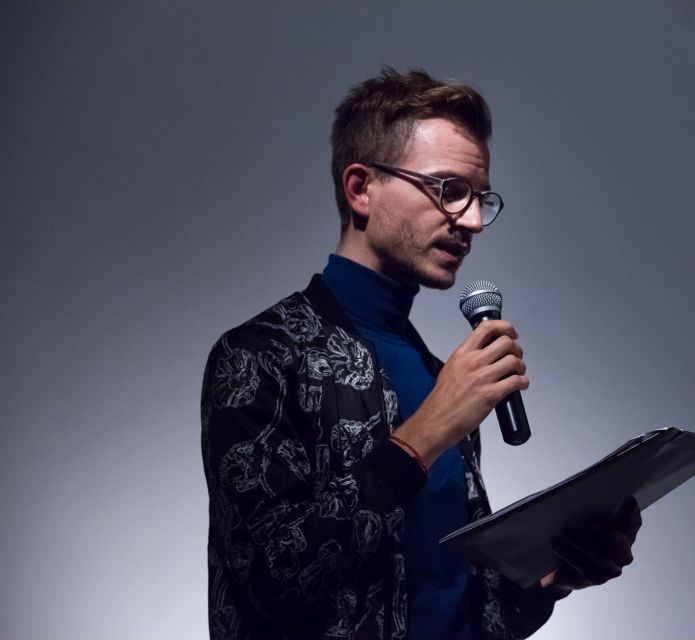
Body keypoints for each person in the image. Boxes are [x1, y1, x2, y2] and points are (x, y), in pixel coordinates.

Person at [201, 67, 642, 640]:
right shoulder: (258, 356)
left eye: (480, 198)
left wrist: (550, 577)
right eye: (448, 189)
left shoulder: (437, 374)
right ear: (361, 188)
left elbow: (452, 602)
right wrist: (426, 433)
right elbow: (267, 586)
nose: (473, 221)